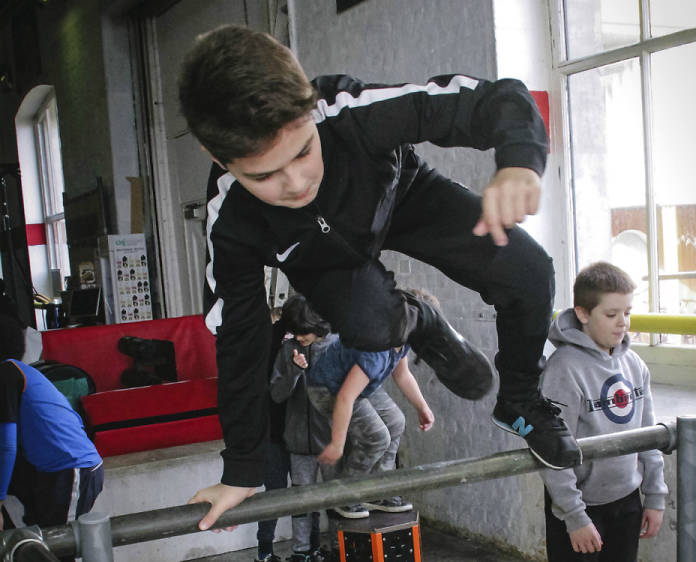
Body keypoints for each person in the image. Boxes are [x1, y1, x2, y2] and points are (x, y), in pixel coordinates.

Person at [180, 25, 581, 531]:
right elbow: (239, 338)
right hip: (322, 260)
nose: (296, 183)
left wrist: (520, 162)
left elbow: (486, 99)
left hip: (400, 195)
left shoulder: (351, 108)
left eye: (303, 151)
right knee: (375, 329)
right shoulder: (229, 218)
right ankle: (422, 320)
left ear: (310, 108)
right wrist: (241, 467)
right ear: (218, 158)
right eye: (264, 175)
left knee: (527, 269)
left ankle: (521, 399)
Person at [540, 262, 668, 561]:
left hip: (627, 501)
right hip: (580, 508)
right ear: (583, 313)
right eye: (611, 314)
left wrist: (655, 495)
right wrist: (575, 516)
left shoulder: (635, 365)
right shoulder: (564, 369)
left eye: (627, 312)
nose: (622, 322)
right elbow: (551, 450)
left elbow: (649, 438)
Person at [297, 292, 434, 519]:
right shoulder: (377, 347)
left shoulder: (404, 339)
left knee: (396, 422)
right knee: (377, 437)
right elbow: (344, 397)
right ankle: (347, 495)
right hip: (328, 389)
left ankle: (379, 490)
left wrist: (422, 407)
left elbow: (403, 374)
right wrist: (337, 444)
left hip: (359, 387)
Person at [0, 313, 103, 562]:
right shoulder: (18, 372)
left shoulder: (7, 373)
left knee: (57, 548)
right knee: (35, 544)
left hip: (70, 469)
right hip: (50, 471)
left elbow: (6, 445)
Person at [269, 295, 335, 562]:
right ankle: (301, 552)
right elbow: (276, 394)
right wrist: (294, 372)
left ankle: (344, 546)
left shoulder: (337, 347)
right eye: (294, 331)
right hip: (298, 441)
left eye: (303, 330)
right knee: (301, 502)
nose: (299, 336)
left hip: (333, 440)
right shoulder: (288, 349)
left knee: (337, 499)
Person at [255, 306, 292, 562]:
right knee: (300, 491)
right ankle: (305, 548)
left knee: (275, 491)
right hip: (285, 430)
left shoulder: (264, 346)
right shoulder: (283, 346)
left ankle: (265, 551)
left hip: (272, 429)